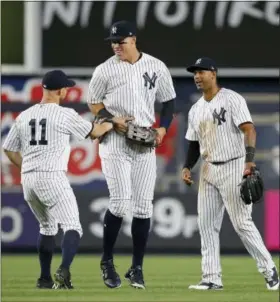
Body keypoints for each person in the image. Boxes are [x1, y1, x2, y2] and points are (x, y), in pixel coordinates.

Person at [3, 70, 115, 289]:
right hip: (51, 176)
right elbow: (95, 132)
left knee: (47, 227)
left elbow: (8, 149)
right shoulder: (64, 114)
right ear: (60, 90)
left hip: (28, 180)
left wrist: (25, 167)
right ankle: (64, 271)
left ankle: (44, 278)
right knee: (73, 226)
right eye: (66, 87)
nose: (67, 90)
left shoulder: (24, 115)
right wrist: (113, 123)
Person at [87, 20, 176, 289]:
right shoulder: (104, 70)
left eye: (121, 41)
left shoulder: (156, 66)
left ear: (134, 40)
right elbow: (93, 103)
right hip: (115, 141)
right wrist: (113, 120)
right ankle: (107, 261)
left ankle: (136, 268)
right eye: (113, 42)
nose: (116, 46)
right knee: (120, 202)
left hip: (144, 142)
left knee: (142, 206)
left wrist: (162, 128)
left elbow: (169, 100)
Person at [182, 57, 279, 290]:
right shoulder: (195, 109)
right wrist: (187, 167)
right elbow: (194, 144)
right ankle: (211, 278)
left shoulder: (232, 99)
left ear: (213, 74)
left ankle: (269, 270)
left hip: (235, 165)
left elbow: (249, 129)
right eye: (194, 73)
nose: (197, 76)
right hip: (208, 168)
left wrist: (250, 162)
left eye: (201, 72)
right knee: (206, 226)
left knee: (242, 223)